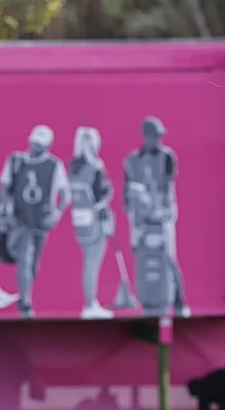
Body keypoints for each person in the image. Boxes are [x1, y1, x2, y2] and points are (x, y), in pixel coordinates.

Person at [0, 124, 71, 319]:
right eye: (36, 144)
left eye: (42, 145)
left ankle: (25, 295)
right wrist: (3, 208)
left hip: (42, 219)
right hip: (20, 218)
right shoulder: (15, 161)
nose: (37, 148)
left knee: (34, 263)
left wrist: (57, 213)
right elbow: (4, 187)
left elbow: (65, 195)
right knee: (25, 258)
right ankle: (27, 302)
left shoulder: (54, 165)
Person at [123, 117, 189, 317]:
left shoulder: (167, 156)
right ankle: (147, 300)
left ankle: (179, 302)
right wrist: (134, 216)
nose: (159, 139)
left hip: (162, 215)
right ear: (146, 136)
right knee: (141, 257)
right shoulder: (132, 160)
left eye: (160, 136)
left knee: (168, 257)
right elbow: (127, 193)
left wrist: (160, 209)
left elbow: (166, 187)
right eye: (155, 136)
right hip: (141, 219)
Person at [68, 126, 115, 319]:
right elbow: (104, 194)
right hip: (96, 220)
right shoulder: (96, 167)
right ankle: (90, 304)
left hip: (80, 220)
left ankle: (90, 302)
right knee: (92, 263)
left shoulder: (74, 166)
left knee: (88, 261)